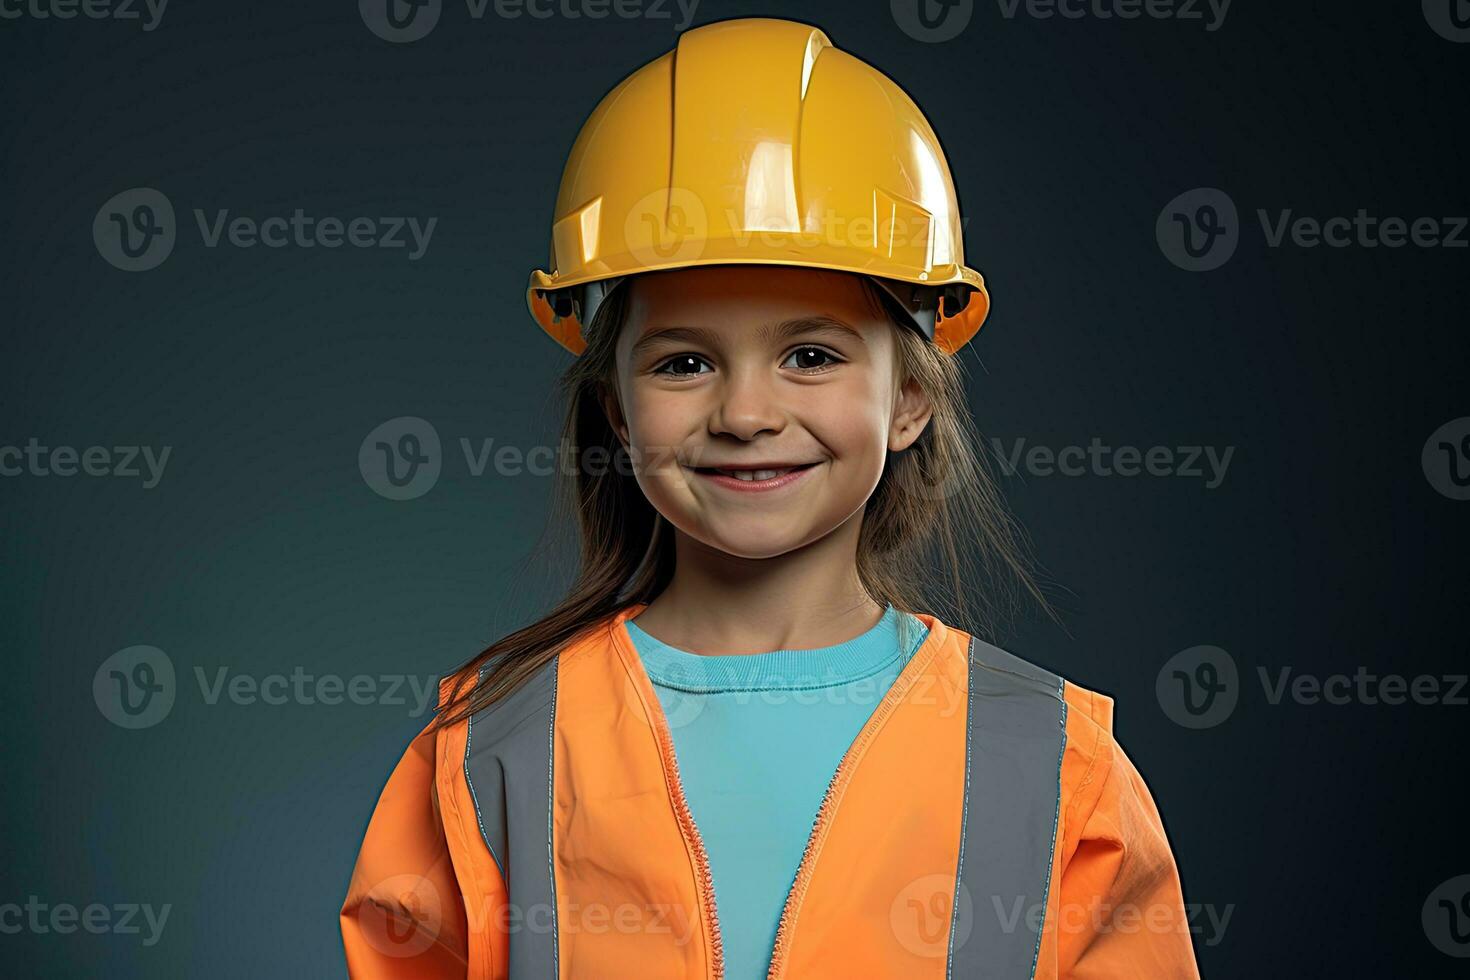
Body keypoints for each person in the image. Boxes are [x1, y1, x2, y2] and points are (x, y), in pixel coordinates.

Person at [340, 16, 1201, 979]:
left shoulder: (1050, 763)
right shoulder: (495, 748)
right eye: (684, 361)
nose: (745, 412)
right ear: (618, 410)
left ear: (910, 398)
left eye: (810, 355)